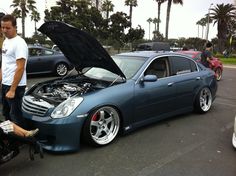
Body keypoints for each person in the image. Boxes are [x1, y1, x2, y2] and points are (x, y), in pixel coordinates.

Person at [0, 14, 28, 127]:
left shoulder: (19, 43)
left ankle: (23, 142)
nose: (4, 30)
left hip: (15, 87)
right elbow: (4, 63)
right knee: (6, 114)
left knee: (16, 116)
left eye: (8, 28)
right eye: (2, 27)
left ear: (15, 27)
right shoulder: (6, 41)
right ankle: (10, 141)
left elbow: (20, 67)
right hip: (5, 84)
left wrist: (12, 90)